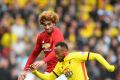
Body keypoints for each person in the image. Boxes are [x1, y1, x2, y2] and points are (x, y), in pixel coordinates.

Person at [28, 42, 115, 80]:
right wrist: (35, 72)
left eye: (58, 53)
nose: (56, 55)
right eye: (55, 53)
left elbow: (96, 56)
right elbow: (49, 78)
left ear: (65, 52)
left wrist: (108, 66)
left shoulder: (75, 56)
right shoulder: (59, 65)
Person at [18, 11, 64, 80]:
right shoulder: (41, 37)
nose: (47, 27)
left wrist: (43, 61)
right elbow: (34, 54)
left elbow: (56, 50)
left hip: (62, 71)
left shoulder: (57, 33)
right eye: (45, 25)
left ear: (54, 23)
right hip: (50, 72)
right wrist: (25, 71)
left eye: (49, 24)